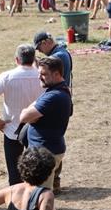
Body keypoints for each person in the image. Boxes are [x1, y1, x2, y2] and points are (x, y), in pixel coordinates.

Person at [0, 44, 42, 185]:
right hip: (36, 128)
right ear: (34, 58)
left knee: (14, 172)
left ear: (17, 59)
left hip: (12, 130)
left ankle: (16, 203)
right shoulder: (42, 75)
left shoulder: (7, 76)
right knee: (37, 170)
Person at [20, 57, 72, 193]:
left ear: (56, 74)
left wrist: (31, 113)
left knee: (40, 194)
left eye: (43, 74)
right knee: (36, 192)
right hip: (43, 151)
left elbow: (24, 117)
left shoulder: (54, 96)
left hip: (46, 154)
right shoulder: (54, 91)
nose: (39, 77)